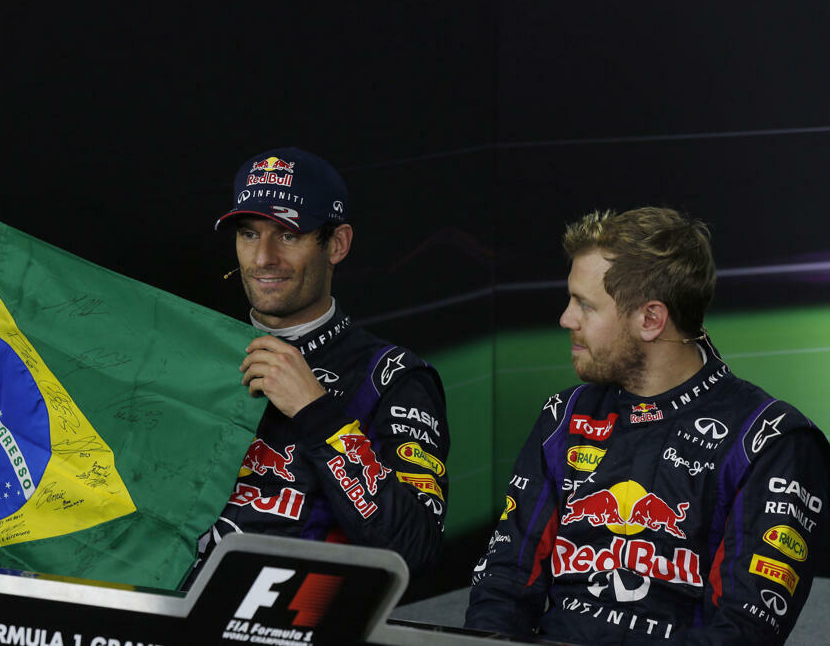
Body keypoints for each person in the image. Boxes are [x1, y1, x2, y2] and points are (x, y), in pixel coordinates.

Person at [466, 207, 830, 644]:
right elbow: (504, 585)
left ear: (651, 319)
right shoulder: (564, 416)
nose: (566, 319)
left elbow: (740, 632)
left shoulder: (771, 440)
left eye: (585, 304)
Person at [190, 147, 448, 579]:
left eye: (287, 235)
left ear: (337, 244)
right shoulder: (195, 356)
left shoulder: (393, 377)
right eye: (249, 234)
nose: (262, 258)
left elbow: (415, 545)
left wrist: (317, 414)